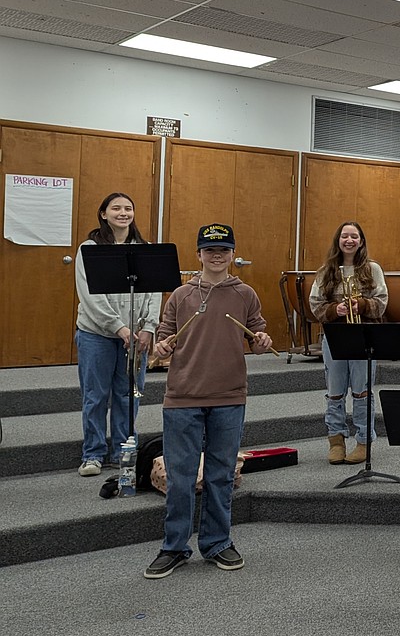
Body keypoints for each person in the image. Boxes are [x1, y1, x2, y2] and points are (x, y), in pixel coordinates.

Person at [144, 223, 272, 579]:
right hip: (182, 395)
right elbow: (164, 338)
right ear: (198, 254)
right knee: (181, 477)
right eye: (210, 250)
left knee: (220, 474)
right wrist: (161, 345)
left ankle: (217, 542)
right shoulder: (181, 295)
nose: (217, 256)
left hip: (229, 394)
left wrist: (261, 340)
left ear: (233, 255)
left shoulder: (245, 293)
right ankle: (174, 546)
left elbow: (258, 333)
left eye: (224, 250)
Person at [74, 192, 161, 477]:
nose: (122, 213)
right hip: (96, 334)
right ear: (103, 214)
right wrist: (118, 327)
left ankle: (123, 452)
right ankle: (93, 454)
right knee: (96, 396)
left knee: (128, 397)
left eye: (128, 208)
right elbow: (90, 297)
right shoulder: (89, 248)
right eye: (116, 208)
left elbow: (154, 292)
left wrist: (148, 326)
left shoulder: (145, 249)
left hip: (136, 337)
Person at [309, 221, 388, 465]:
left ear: (361, 241)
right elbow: (315, 305)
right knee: (334, 392)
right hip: (335, 337)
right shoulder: (326, 270)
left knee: (362, 392)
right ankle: (336, 440)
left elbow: (382, 302)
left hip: (364, 337)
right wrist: (336, 309)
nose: (349, 240)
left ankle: (364, 441)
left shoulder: (372, 269)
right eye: (345, 236)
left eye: (354, 236)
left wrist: (361, 305)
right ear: (338, 240)